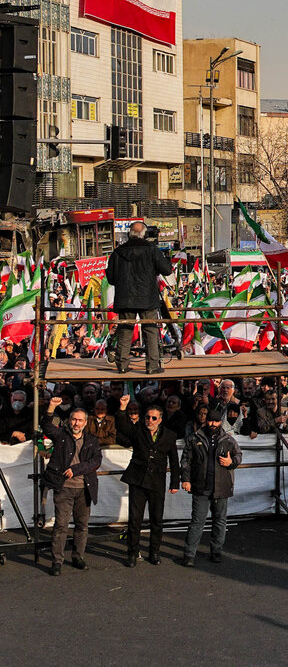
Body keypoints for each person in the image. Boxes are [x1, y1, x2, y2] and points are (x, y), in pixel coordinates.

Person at [114, 396, 180, 566]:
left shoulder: (170, 435)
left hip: (157, 481)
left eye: (153, 418)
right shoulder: (138, 430)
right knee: (135, 519)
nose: (149, 421)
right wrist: (122, 407)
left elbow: (174, 461)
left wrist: (175, 483)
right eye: (147, 417)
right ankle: (132, 552)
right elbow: (122, 426)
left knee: (156, 519)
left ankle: (155, 552)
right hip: (138, 479)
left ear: (160, 419)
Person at [41, 397, 102, 575]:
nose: (76, 423)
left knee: (82, 525)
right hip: (64, 487)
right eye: (74, 419)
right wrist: (51, 407)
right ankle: (57, 561)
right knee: (61, 525)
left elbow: (96, 461)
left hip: (85, 488)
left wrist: (75, 469)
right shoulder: (61, 435)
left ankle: (78, 557)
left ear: (85, 422)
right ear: (70, 420)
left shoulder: (91, 439)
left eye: (80, 420)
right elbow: (46, 426)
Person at [105, 220, 173, 374]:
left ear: (130, 234)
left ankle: (122, 365)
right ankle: (152, 366)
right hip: (147, 297)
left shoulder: (118, 252)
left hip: (125, 298)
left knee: (125, 329)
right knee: (150, 330)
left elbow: (110, 278)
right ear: (144, 234)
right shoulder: (151, 249)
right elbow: (167, 270)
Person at [179, 404, 243, 566]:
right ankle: (189, 554)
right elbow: (186, 460)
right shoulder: (194, 438)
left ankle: (216, 551)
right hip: (201, 486)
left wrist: (231, 462)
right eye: (210, 421)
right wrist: (185, 480)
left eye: (216, 421)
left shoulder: (228, 439)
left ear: (220, 422)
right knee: (197, 521)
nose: (213, 424)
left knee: (220, 520)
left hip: (222, 486)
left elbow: (239, 456)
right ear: (205, 421)